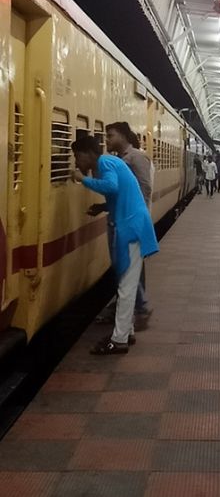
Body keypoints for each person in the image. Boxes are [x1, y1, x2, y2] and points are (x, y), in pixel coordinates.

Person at [71, 136, 158, 354]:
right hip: (132, 225)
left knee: (126, 285)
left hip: (130, 227)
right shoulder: (112, 162)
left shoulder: (105, 163)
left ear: (88, 153)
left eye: (77, 156)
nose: (76, 162)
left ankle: (118, 340)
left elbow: (111, 185)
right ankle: (126, 333)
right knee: (125, 282)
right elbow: (118, 193)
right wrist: (102, 208)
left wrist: (83, 179)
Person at [104, 122, 154, 325]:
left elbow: (145, 188)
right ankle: (130, 305)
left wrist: (132, 217)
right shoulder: (120, 159)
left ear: (123, 136)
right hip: (118, 220)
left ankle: (139, 308)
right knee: (126, 265)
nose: (107, 139)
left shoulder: (137, 158)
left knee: (129, 265)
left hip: (128, 222)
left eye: (110, 135)